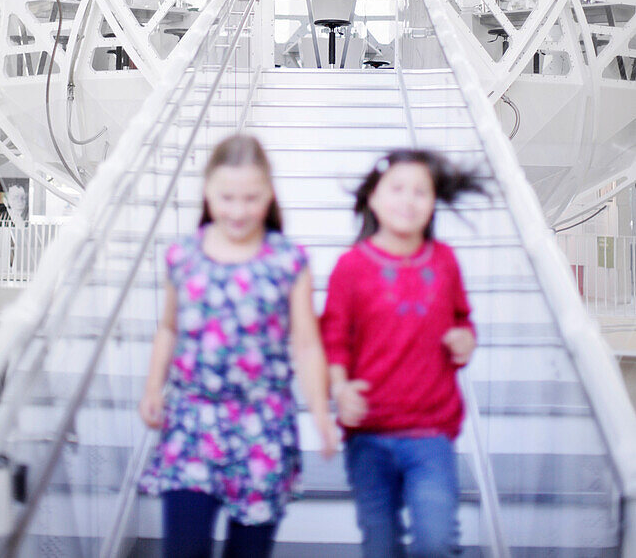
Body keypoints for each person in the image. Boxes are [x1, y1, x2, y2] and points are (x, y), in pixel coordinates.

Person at [139, 134, 337, 558]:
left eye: (252, 198)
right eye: (226, 197)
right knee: (184, 550)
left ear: (269, 194)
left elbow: (305, 344)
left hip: (262, 430)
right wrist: (153, 388)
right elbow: (169, 328)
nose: (239, 210)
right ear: (208, 192)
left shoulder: (289, 259)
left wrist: (320, 412)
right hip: (192, 424)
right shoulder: (182, 256)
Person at [321, 148, 483, 558]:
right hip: (369, 438)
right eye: (397, 189)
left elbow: (463, 320)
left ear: (433, 204)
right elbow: (333, 339)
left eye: (421, 192)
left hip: (431, 434)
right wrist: (340, 390)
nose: (408, 201)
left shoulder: (444, 261)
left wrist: (465, 340)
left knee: (435, 542)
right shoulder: (351, 267)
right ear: (373, 197)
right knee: (381, 546)